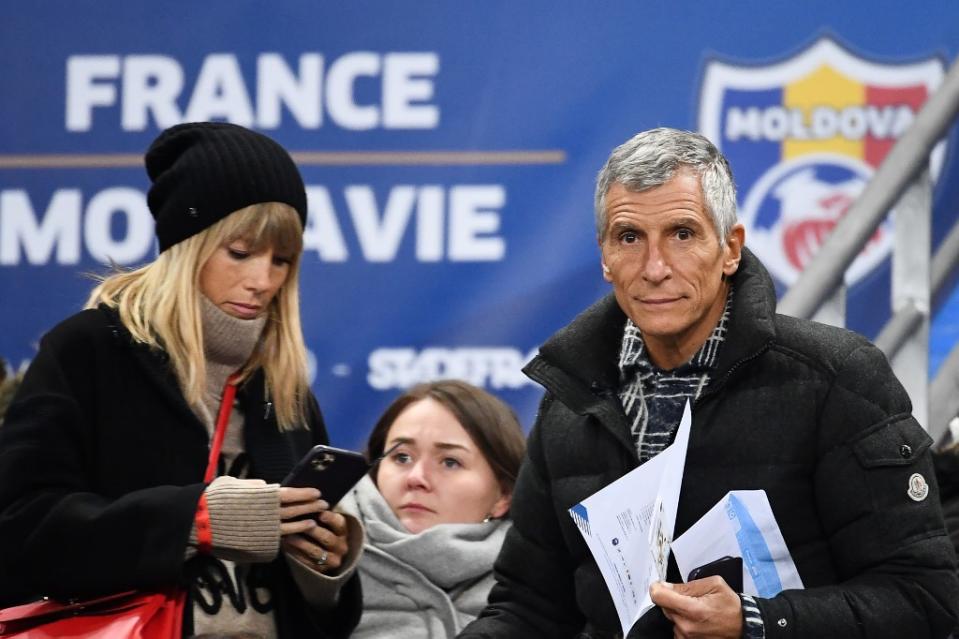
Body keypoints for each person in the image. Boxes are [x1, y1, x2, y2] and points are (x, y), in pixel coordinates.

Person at [459, 127, 959, 638]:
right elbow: (528, 609)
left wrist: (757, 622)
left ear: (730, 249)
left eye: (682, 233)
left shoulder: (837, 378)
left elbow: (924, 598)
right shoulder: (569, 402)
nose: (654, 268)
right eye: (629, 238)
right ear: (605, 257)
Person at [0, 122, 363, 638]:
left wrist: (324, 567)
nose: (262, 280)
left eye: (281, 260)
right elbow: (20, 534)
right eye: (240, 252)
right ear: (188, 243)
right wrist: (195, 519)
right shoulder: (90, 350)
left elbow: (325, 618)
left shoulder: (283, 386)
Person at [338, 379, 526, 638]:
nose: (416, 477)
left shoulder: (534, 587)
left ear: (504, 495)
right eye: (401, 457)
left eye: (450, 462)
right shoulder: (323, 559)